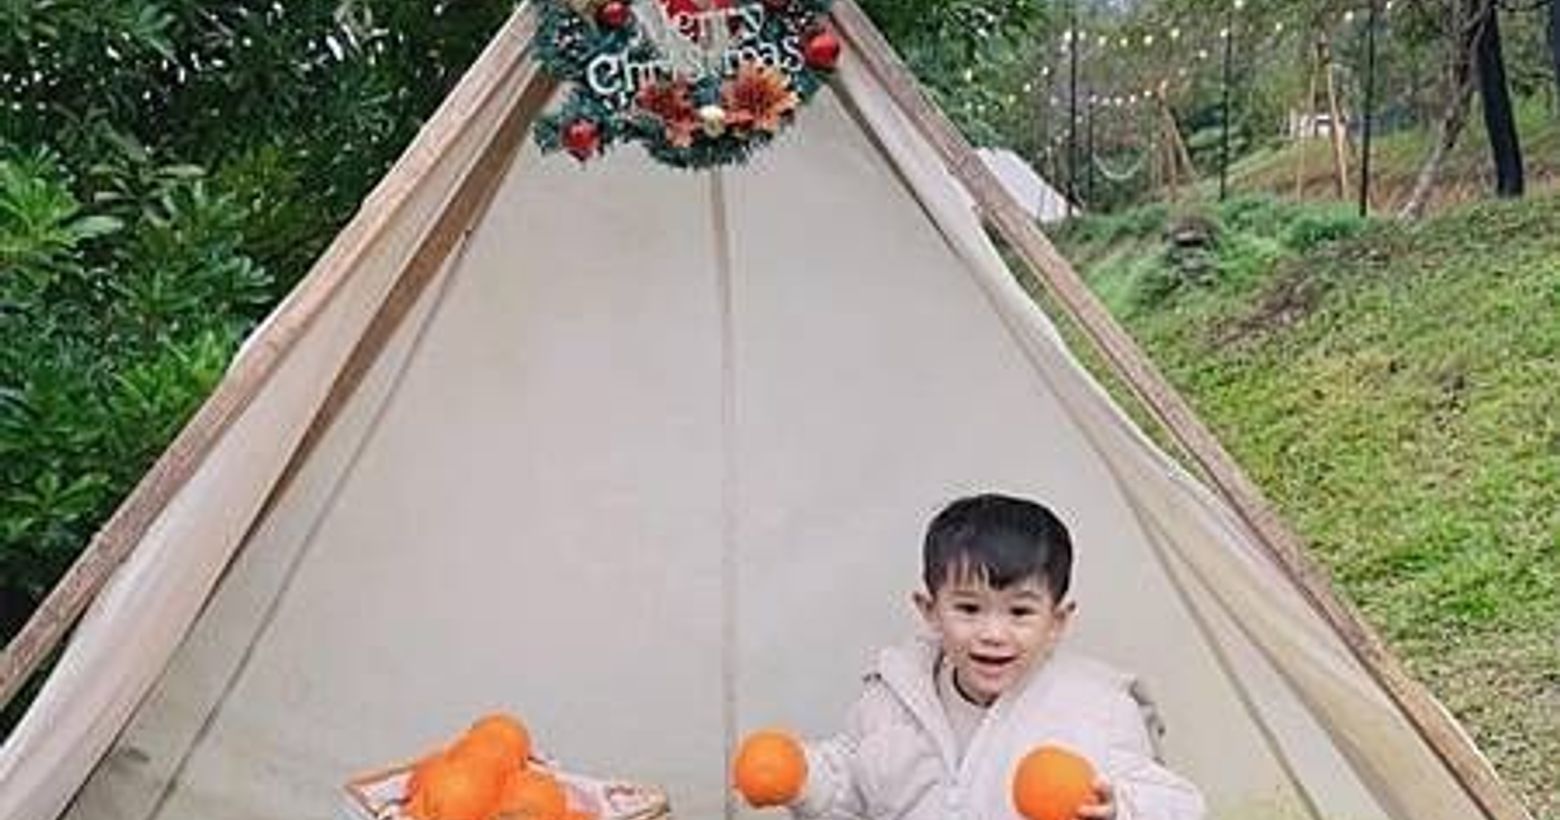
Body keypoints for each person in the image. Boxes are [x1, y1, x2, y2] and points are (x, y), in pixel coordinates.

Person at [734, 493, 1206, 820]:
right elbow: (854, 782)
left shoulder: (1097, 711)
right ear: (930, 610)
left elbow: (1180, 805)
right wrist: (800, 777)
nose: (993, 634)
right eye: (968, 609)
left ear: (1056, 621)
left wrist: (1120, 808)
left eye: (1020, 612)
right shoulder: (892, 699)